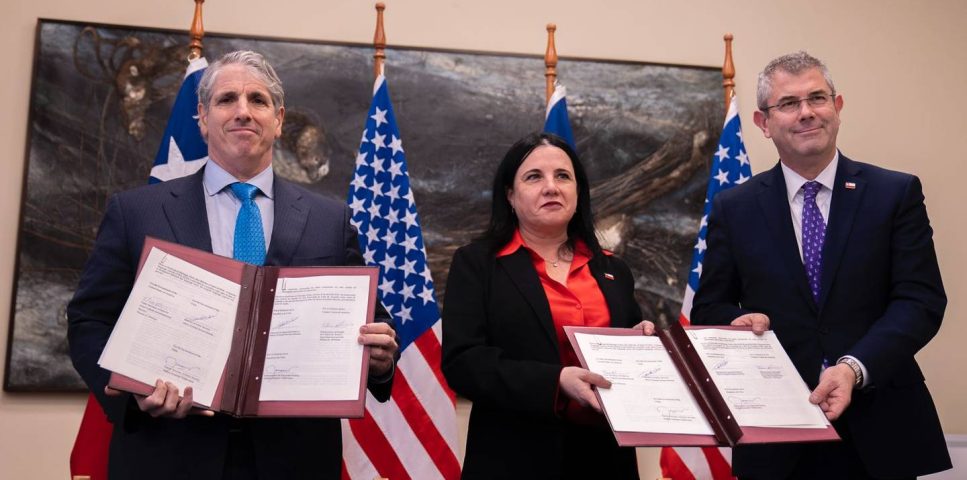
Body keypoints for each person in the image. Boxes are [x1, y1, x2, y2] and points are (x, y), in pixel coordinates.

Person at [67, 50, 399, 480]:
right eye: (227, 100)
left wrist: (381, 357)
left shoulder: (330, 220)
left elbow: (371, 323)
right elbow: (89, 320)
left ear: (278, 120)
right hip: (169, 454)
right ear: (203, 119)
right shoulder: (136, 212)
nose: (243, 111)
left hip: (294, 460)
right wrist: (132, 393)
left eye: (258, 100)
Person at [692, 51, 950, 479]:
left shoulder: (894, 193)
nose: (806, 112)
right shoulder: (735, 208)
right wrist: (736, 322)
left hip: (882, 429)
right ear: (763, 123)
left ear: (837, 106)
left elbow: (920, 301)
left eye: (817, 98)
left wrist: (853, 368)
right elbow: (708, 308)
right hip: (776, 435)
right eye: (788, 103)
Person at [442, 132, 653, 479]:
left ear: (578, 193)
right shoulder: (477, 264)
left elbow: (626, 357)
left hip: (606, 460)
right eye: (534, 177)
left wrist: (644, 345)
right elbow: (463, 363)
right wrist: (556, 382)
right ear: (510, 196)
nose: (551, 187)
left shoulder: (614, 270)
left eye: (563, 176)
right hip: (514, 459)